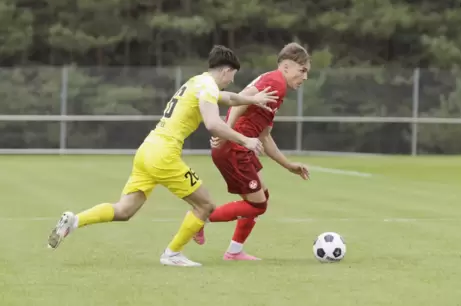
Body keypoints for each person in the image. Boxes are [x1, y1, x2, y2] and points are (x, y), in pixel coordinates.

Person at [47, 45, 279, 267]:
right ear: (226, 70)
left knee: (124, 210)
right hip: (164, 155)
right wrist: (245, 139)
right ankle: (173, 254)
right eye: (232, 76)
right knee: (206, 205)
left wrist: (252, 99)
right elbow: (213, 123)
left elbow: (228, 97)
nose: (232, 81)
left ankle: (74, 221)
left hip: (147, 149)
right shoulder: (208, 86)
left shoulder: (197, 82)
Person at [192, 42, 311, 260]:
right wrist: (226, 132)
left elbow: (264, 136)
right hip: (235, 148)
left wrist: (288, 165)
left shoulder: (277, 87)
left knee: (261, 197)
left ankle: (234, 251)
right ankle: (199, 218)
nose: (304, 77)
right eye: (302, 70)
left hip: (241, 147)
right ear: (286, 67)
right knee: (257, 205)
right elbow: (238, 102)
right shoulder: (276, 81)